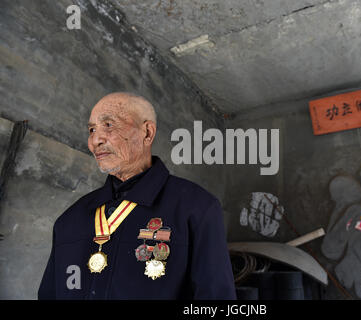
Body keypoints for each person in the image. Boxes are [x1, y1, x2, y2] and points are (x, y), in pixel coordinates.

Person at [38, 92, 236, 299]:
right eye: (91, 129)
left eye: (109, 125)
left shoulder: (196, 207)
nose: (95, 139)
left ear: (147, 133)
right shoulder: (70, 218)